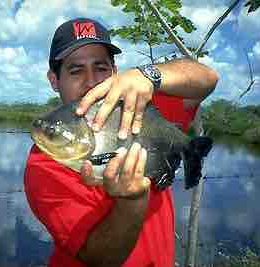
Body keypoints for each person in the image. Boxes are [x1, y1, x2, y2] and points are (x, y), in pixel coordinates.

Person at [24, 17, 218, 267]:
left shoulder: (141, 106)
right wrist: (132, 201)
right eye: (76, 70)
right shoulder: (43, 166)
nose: (91, 80)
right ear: (54, 80)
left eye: (101, 67)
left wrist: (148, 75)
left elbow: (208, 78)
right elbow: (101, 258)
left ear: (115, 72)